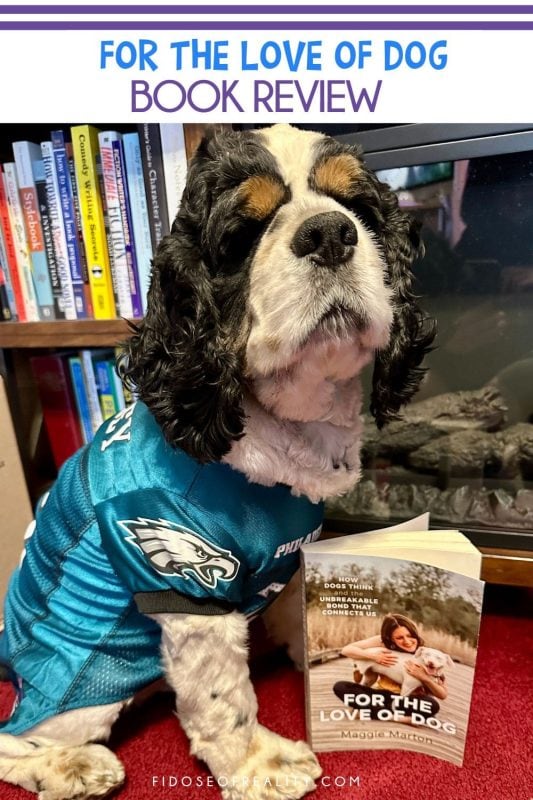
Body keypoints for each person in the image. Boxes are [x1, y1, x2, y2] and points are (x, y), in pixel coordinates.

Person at [333, 613, 447, 720]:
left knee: (432, 705)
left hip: (406, 700)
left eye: (410, 636)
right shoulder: (382, 642)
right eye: (399, 638)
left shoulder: (426, 655)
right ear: (390, 639)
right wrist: (373, 657)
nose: (407, 641)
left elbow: (442, 694)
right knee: (341, 687)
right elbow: (346, 650)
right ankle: (397, 717)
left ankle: (372, 710)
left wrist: (424, 677)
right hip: (380, 696)